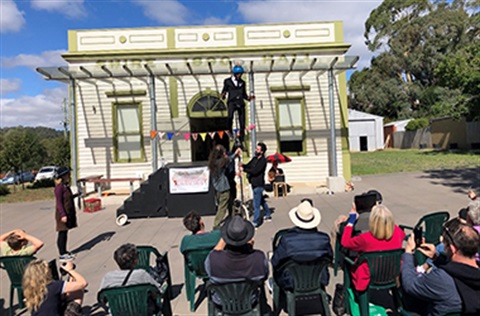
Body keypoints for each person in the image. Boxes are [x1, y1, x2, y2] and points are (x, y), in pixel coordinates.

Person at [401, 218, 480, 315]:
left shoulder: (441, 279)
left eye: (445, 245)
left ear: (452, 249)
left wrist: (408, 252)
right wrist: (436, 259)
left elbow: (410, 284)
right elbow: (460, 270)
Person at [205, 215, 269, 307]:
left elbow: (208, 266)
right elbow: (264, 275)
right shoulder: (259, 258)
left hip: (222, 302)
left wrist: (224, 238)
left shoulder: (213, 260)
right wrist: (250, 249)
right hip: (249, 301)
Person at [341, 204, 405, 291]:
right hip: (392, 272)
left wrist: (351, 221)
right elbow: (401, 233)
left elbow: (345, 242)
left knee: (348, 261)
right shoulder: (398, 232)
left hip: (369, 275)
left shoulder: (365, 238)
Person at [271, 201, 333, 291]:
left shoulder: (287, 240)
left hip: (291, 282)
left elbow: (275, 262)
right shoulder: (324, 238)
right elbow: (329, 258)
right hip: (318, 279)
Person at [22, 259, 87, 316]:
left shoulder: (30, 290)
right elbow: (83, 283)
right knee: (78, 291)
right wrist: (70, 270)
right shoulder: (54, 286)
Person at [208, 145, 242, 229]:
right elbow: (229, 159)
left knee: (231, 203)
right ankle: (216, 224)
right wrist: (236, 153)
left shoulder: (213, 162)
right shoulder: (220, 162)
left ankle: (233, 218)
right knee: (222, 207)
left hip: (218, 188)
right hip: (223, 188)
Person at [241, 142, 271, 227]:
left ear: (262, 152)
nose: (256, 150)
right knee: (261, 200)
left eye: (258, 149)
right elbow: (249, 165)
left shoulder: (263, 161)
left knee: (256, 204)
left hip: (259, 184)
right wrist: (243, 165)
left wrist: (244, 170)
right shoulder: (255, 159)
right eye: (256, 149)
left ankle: (255, 222)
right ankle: (268, 213)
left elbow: (255, 171)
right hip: (253, 183)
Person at [221, 65, 253, 144]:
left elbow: (244, 94)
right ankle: (230, 131)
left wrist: (249, 98)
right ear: (234, 74)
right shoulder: (227, 81)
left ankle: (241, 137)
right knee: (230, 116)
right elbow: (224, 91)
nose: (239, 76)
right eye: (238, 74)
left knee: (242, 121)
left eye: (240, 74)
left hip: (240, 102)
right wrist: (223, 95)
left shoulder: (242, 82)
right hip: (232, 102)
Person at [54, 167, 80, 261]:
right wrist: (63, 215)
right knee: (62, 233)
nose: (69, 176)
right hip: (62, 213)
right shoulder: (59, 188)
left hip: (68, 212)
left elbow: (67, 198)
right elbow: (59, 202)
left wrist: (76, 195)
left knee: (65, 233)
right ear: (63, 176)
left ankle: (65, 251)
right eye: (68, 174)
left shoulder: (65, 186)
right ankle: (62, 253)